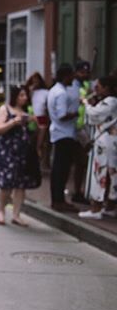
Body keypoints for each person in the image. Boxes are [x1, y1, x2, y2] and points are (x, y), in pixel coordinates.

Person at [0, 85, 41, 226]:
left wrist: (35, 123)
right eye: (21, 95)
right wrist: (13, 122)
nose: (24, 98)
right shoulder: (5, 109)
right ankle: (1, 210)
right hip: (7, 150)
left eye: (26, 95)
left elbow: (33, 131)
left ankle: (16, 214)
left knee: (21, 183)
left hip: (23, 150)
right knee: (7, 182)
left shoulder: (26, 111)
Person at [78, 76, 117, 220]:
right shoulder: (111, 102)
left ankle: (96, 208)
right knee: (112, 174)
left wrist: (86, 104)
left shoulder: (110, 102)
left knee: (100, 173)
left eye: (99, 86)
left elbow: (95, 115)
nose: (96, 89)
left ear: (107, 88)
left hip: (105, 143)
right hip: (112, 141)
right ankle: (111, 206)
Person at [47, 63, 79, 212]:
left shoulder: (54, 90)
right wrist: (76, 113)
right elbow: (62, 115)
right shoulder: (61, 93)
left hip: (58, 132)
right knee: (62, 169)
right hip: (64, 134)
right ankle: (58, 200)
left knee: (58, 168)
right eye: (72, 75)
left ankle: (57, 199)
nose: (73, 78)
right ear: (66, 76)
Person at [70, 60, 92, 205]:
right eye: (82, 72)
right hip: (76, 128)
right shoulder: (73, 86)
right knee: (80, 161)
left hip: (85, 126)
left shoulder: (85, 85)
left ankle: (80, 190)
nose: (85, 75)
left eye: (86, 72)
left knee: (82, 162)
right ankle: (76, 191)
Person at [26, 72, 50, 169]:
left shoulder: (45, 92)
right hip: (32, 118)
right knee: (31, 140)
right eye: (33, 81)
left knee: (41, 142)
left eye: (37, 81)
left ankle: (43, 162)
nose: (35, 83)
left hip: (42, 118)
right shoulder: (30, 92)